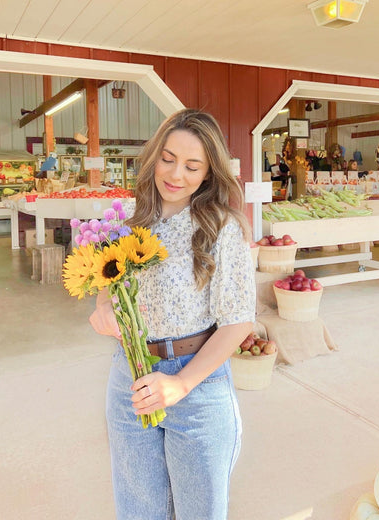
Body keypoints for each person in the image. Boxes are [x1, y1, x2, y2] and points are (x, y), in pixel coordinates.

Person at [89, 108, 256, 520]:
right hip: (129, 375)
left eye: (192, 165)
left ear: (208, 173)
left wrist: (180, 384)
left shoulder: (222, 226)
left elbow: (238, 322)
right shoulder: (132, 220)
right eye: (168, 158)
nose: (175, 174)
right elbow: (109, 287)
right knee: (138, 511)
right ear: (153, 156)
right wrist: (104, 305)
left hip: (197, 385)